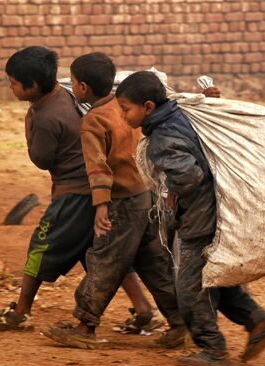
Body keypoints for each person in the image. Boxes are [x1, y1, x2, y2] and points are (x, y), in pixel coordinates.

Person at [0, 46, 163, 333]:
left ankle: (20, 312)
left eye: (14, 83)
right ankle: (143, 309)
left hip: (74, 194)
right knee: (97, 250)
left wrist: (29, 123)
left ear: (33, 86)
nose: (10, 87)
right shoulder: (65, 94)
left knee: (40, 246)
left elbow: (41, 159)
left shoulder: (44, 117)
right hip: (96, 191)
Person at [115, 71, 265, 366]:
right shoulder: (180, 113)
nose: (123, 115)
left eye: (126, 109)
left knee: (190, 286)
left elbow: (188, 175)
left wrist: (172, 192)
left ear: (148, 107)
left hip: (199, 217)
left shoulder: (163, 137)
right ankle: (258, 322)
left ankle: (213, 349)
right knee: (212, 276)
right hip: (218, 210)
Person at [41, 52, 186, 349]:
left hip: (122, 201)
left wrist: (101, 206)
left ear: (81, 88)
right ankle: (181, 322)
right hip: (146, 195)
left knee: (105, 260)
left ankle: (84, 327)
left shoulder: (94, 120)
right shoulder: (127, 109)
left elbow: (98, 167)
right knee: (154, 263)